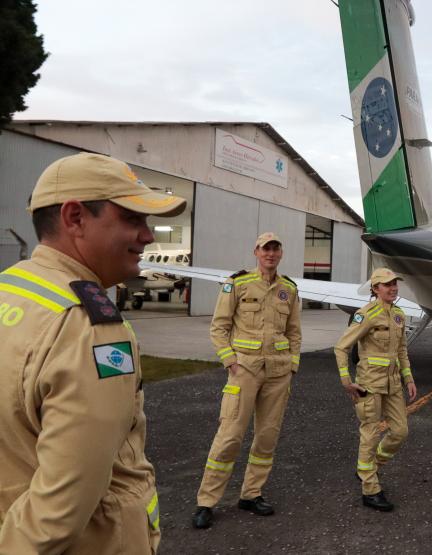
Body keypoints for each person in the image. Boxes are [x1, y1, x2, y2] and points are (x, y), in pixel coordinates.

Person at [0, 152, 186, 552]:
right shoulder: (89, 329)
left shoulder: (11, 290)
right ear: (75, 218)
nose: (149, 235)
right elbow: (58, 512)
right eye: (132, 219)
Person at [193, 232, 302, 528]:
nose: (270, 253)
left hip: (278, 373)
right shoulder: (238, 284)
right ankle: (207, 501)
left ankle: (251, 494)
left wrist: (292, 364)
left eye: (275, 248)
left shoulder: (289, 289)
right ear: (256, 251)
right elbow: (219, 327)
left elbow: (293, 331)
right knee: (229, 435)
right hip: (245, 371)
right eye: (265, 248)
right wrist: (230, 361)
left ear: (281, 253)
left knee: (267, 437)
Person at [333, 268, 417, 511]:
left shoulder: (399, 315)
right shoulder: (366, 314)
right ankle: (370, 489)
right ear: (375, 289)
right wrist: (345, 380)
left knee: (400, 432)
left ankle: (369, 467)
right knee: (369, 434)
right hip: (369, 384)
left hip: (392, 384)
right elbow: (341, 347)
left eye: (394, 284)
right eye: (386, 284)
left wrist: (408, 377)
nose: (392, 288)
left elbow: (402, 350)